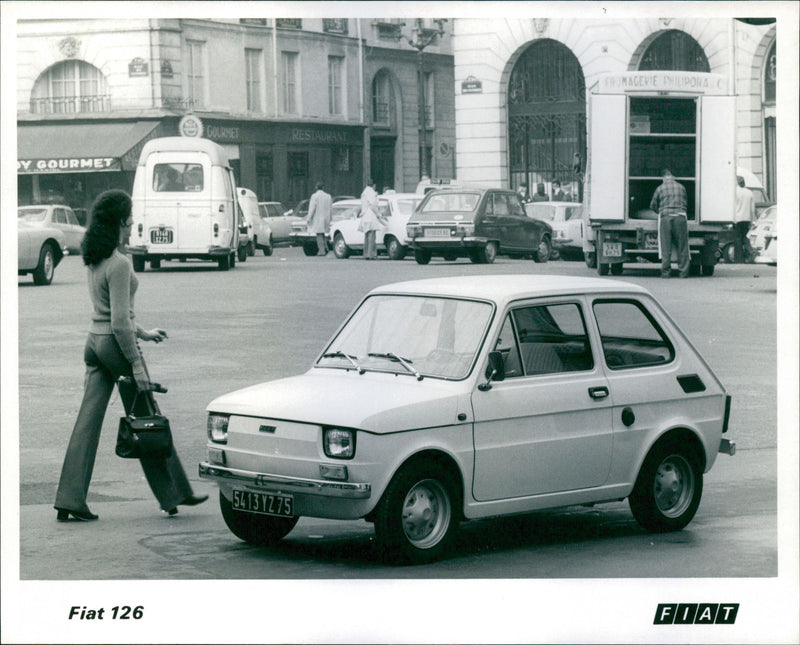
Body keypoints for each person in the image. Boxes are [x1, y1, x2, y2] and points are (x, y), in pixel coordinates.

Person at [54, 189, 207, 522]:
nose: (133, 222)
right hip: (115, 346)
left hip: (94, 343)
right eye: (129, 218)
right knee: (147, 418)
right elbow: (120, 322)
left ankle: (69, 498)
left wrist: (145, 332)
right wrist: (137, 364)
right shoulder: (120, 263)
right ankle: (175, 494)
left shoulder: (95, 257)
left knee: (86, 424)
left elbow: (110, 314)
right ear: (119, 222)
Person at [650, 168, 689, 278]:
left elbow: (652, 205)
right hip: (680, 217)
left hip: (666, 218)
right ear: (673, 177)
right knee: (682, 246)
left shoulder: (660, 188)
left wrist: (660, 212)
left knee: (666, 246)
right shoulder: (681, 187)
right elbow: (686, 201)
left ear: (663, 178)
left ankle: (666, 273)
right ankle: (683, 272)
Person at [359, 179, 384, 260]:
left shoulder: (364, 192)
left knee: (366, 236)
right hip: (371, 216)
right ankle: (371, 254)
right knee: (372, 236)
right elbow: (373, 205)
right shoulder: (371, 193)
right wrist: (378, 214)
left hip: (365, 216)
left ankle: (366, 253)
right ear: (373, 185)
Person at [734, 175, 756, 262]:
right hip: (747, 219)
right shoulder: (750, 193)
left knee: (738, 239)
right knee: (745, 237)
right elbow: (752, 209)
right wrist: (751, 220)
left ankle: (740, 259)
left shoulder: (736, 192)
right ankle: (750, 253)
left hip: (737, 218)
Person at [306, 182, 333, 256]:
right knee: (324, 234)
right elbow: (331, 208)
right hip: (326, 218)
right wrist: (330, 218)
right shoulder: (328, 196)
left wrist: (309, 218)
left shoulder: (314, 196)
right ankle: (326, 248)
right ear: (323, 188)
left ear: (316, 187)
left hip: (318, 218)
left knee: (319, 234)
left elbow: (312, 208)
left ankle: (321, 250)